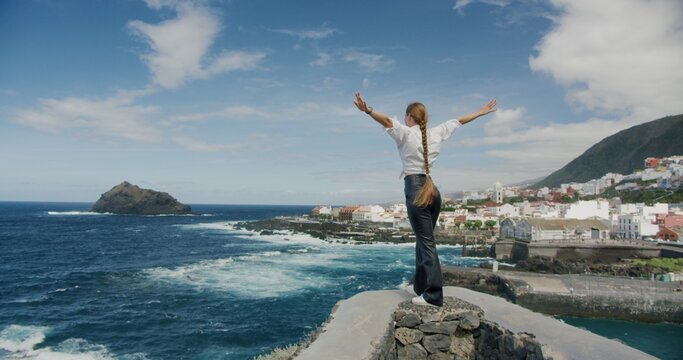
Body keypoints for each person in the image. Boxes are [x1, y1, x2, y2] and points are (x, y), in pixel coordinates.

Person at [353, 92, 497, 307]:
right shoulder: (437, 132)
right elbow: (460, 120)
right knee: (424, 241)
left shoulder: (405, 134)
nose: (404, 119)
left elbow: (386, 121)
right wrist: (481, 112)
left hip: (416, 189)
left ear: (410, 117)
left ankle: (433, 296)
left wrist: (368, 110)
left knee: (426, 243)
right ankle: (419, 286)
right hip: (431, 190)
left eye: (406, 116)